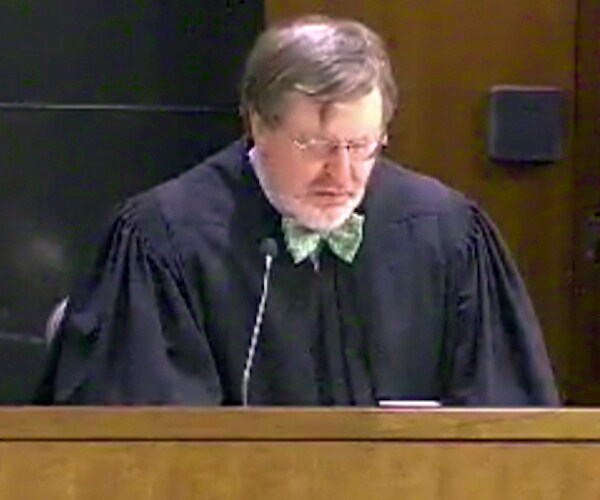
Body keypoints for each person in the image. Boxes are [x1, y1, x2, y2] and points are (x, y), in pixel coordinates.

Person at [37, 15, 560, 406]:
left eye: (362, 145)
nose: (342, 173)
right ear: (257, 125)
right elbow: (139, 442)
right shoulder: (164, 241)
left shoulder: (448, 234)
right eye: (315, 145)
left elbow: (506, 427)